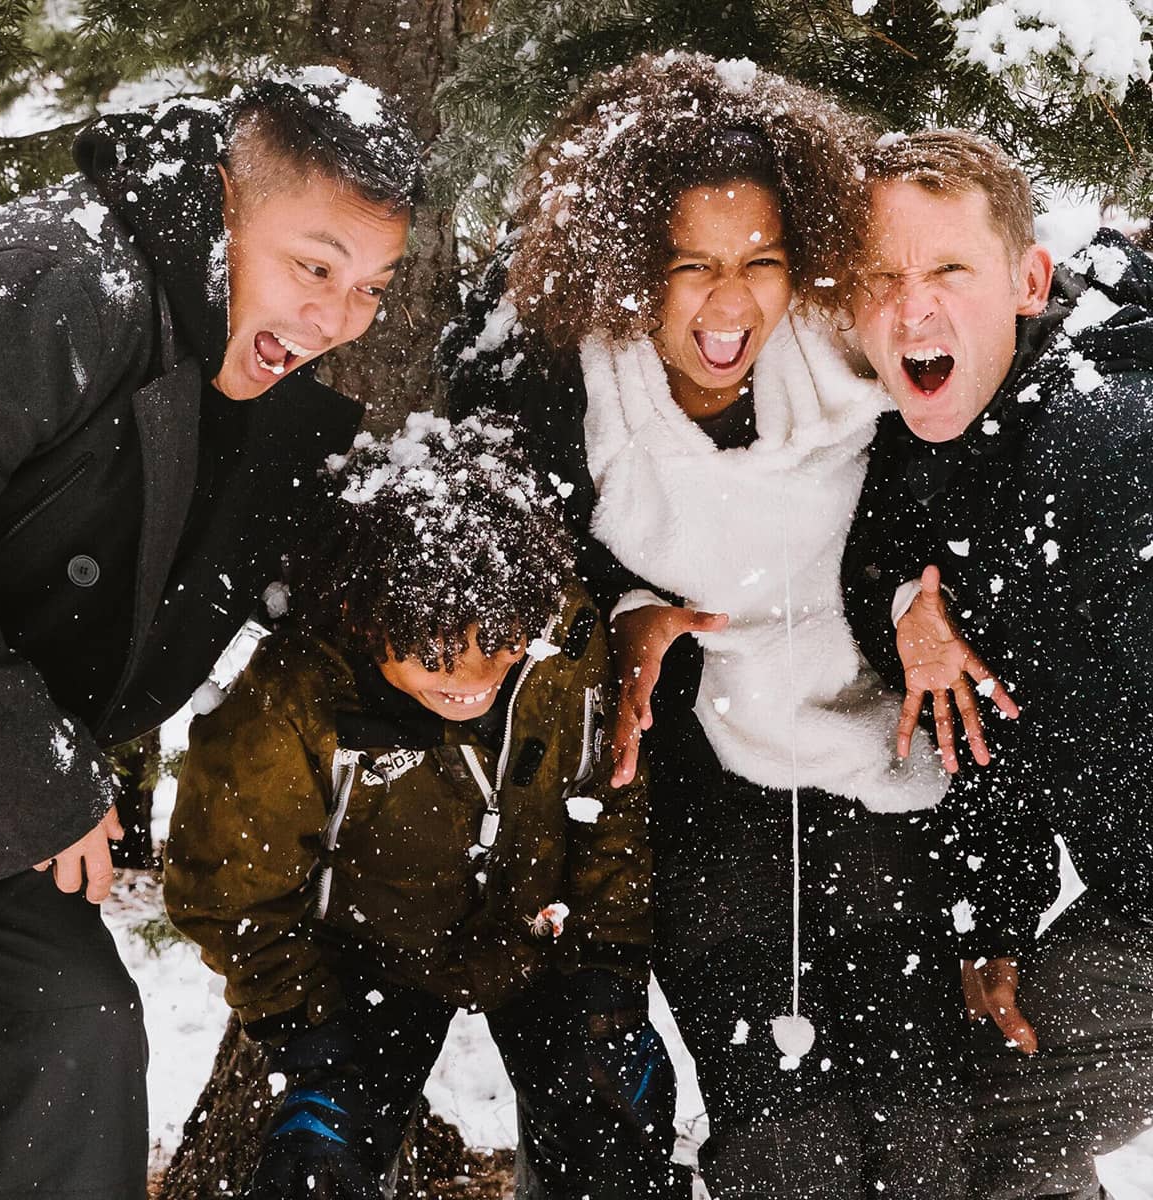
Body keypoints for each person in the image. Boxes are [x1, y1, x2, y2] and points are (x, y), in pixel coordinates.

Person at [443, 52, 971, 1198]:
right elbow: (507, 565)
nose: (730, 306)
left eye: (761, 262)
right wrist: (627, 614)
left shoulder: (843, 354)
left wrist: (909, 602)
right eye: (689, 267)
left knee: (925, 1099)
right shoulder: (557, 384)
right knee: (780, 1124)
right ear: (630, 264)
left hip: (868, 738)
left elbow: (935, 483)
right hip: (684, 769)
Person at [0, 68, 420, 1198]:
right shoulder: (55, 280)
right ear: (220, 203)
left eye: (373, 286)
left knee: (81, 1030)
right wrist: (40, 781)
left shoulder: (234, 358)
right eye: (315, 266)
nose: (340, 318)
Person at [162, 413, 688, 1200]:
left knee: (613, 1116)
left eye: (500, 644)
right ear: (370, 615)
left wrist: (609, 975)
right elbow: (227, 888)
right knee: (316, 1162)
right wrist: (306, 1026)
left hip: (539, 941)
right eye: (436, 654)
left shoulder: (564, 640)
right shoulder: (291, 696)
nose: (474, 676)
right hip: (365, 963)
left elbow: (606, 805)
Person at [842, 128, 1153, 1199]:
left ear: (1028, 281)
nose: (911, 308)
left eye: (947, 272)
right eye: (881, 277)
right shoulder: (943, 444)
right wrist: (999, 917)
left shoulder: (1112, 439)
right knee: (986, 1108)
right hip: (1131, 899)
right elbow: (1000, 714)